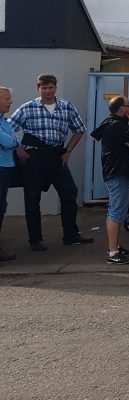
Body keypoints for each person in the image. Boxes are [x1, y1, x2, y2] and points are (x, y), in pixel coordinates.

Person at [10, 73, 91, 250]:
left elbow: (79, 129)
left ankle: (70, 235)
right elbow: (8, 128)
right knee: (32, 199)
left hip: (56, 156)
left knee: (70, 193)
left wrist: (68, 151)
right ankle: (35, 239)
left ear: (55, 87)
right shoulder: (27, 108)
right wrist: (18, 148)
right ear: (38, 88)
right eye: (44, 88)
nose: (47, 91)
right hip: (34, 158)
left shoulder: (66, 106)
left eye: (50, 87)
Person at [90, 95, 129, 264]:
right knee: (116, 212)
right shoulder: (117, 125)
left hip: (118, 173)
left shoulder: (112, 123)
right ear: (122, 108)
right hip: (117, 173)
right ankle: (113, 253)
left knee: (118, 211)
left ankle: (116, 246)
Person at [0, 86, 18, 262]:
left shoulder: (3, 121)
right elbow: (8, 142)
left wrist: (12, 141)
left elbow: (14, 140)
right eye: (7, 99)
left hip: (5, 168)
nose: (10, 102)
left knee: (2, 206)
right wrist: (12, 141)